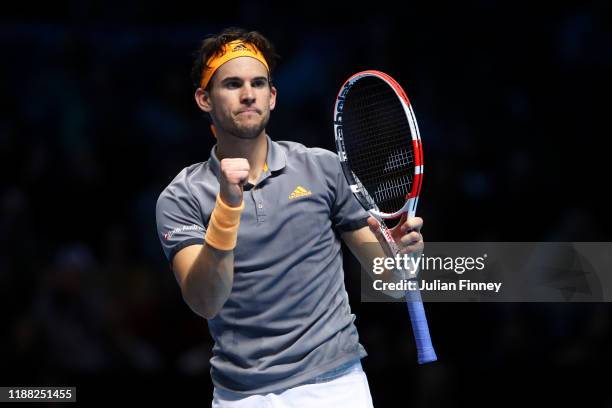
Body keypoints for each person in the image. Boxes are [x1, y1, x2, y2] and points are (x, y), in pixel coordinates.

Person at [155, 27, 424, 407]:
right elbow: (205, 301)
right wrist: (228, 208)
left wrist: (403, 254)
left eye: (258, 83)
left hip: (335, 387)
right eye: (232, 84)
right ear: (204, 99)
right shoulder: (181, 196)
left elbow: (392, 283)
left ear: (273, 96)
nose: (248, 94)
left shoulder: (323, 169)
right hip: (241, 397)